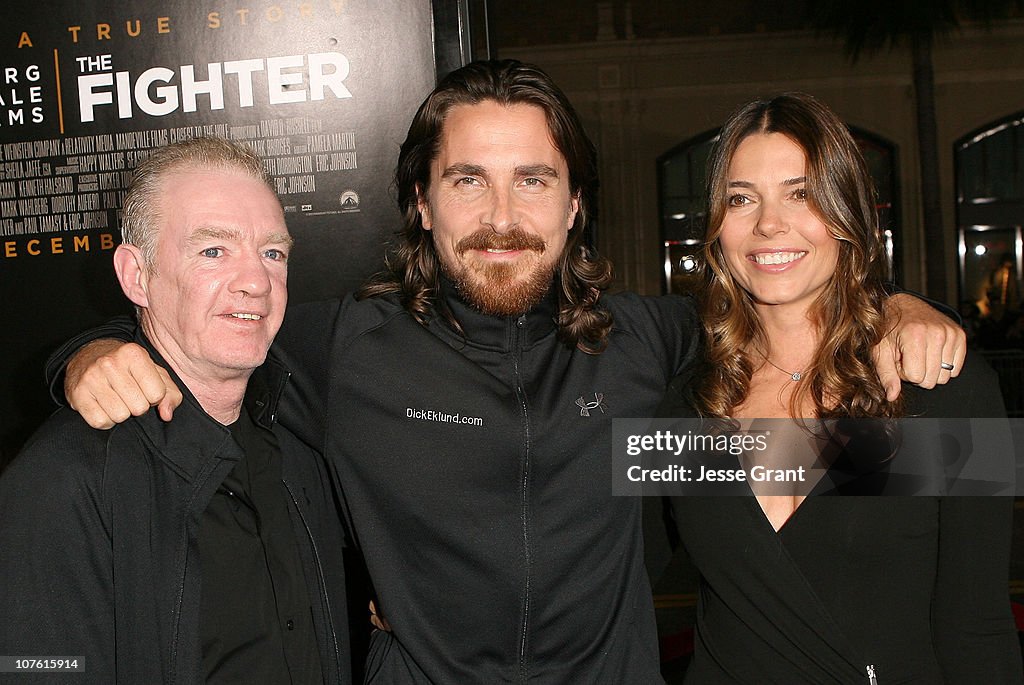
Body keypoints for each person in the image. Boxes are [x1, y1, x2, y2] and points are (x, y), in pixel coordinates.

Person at [51, 62, 964, 683]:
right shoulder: (345, 350)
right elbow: (207, 327)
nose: (500, 215)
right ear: (421, 200)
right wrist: (84, 356)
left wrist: (892, 308)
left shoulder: (651, 343)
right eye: (466, 180)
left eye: (532, 180)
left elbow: (787, 341)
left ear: (573, 206)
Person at [658, 92, 1021, 683]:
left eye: (800, 194)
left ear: (848, 214)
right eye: (741, 199)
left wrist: (904, 306)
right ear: (718, 228)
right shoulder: (688, 404)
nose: (769, 223)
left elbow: (977, 624)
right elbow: (614, 573)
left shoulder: (941, 393)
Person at [0, 138, 351, 684]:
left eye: (272, 252)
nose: (255, 281)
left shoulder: (303, 437)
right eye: (214, 251)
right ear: (137, 276)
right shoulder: (63, 481)